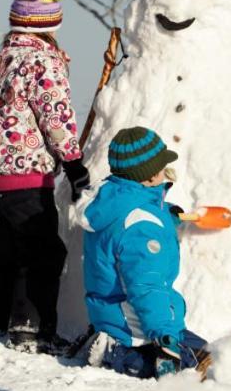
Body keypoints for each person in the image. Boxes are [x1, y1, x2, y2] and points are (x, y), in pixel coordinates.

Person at [0, 0, 91, 353]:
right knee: (43, 251)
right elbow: (55, 117)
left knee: (8, 245)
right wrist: (73, 163)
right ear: (50, 23)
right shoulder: (42, 62)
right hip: (27, 172)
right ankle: (30, 328)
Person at [80, 126, 208, 377]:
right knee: (186, 367)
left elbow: (133, 212)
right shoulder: (141, 227)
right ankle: (112, 352)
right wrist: (163, 334)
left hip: (116, 313)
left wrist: (165, 214)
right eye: (162, 170)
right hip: (134, 327)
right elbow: (146, 286)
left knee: (206, 351)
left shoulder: (114, 199)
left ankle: (112, 343)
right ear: (149, 178)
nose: (165, 174)